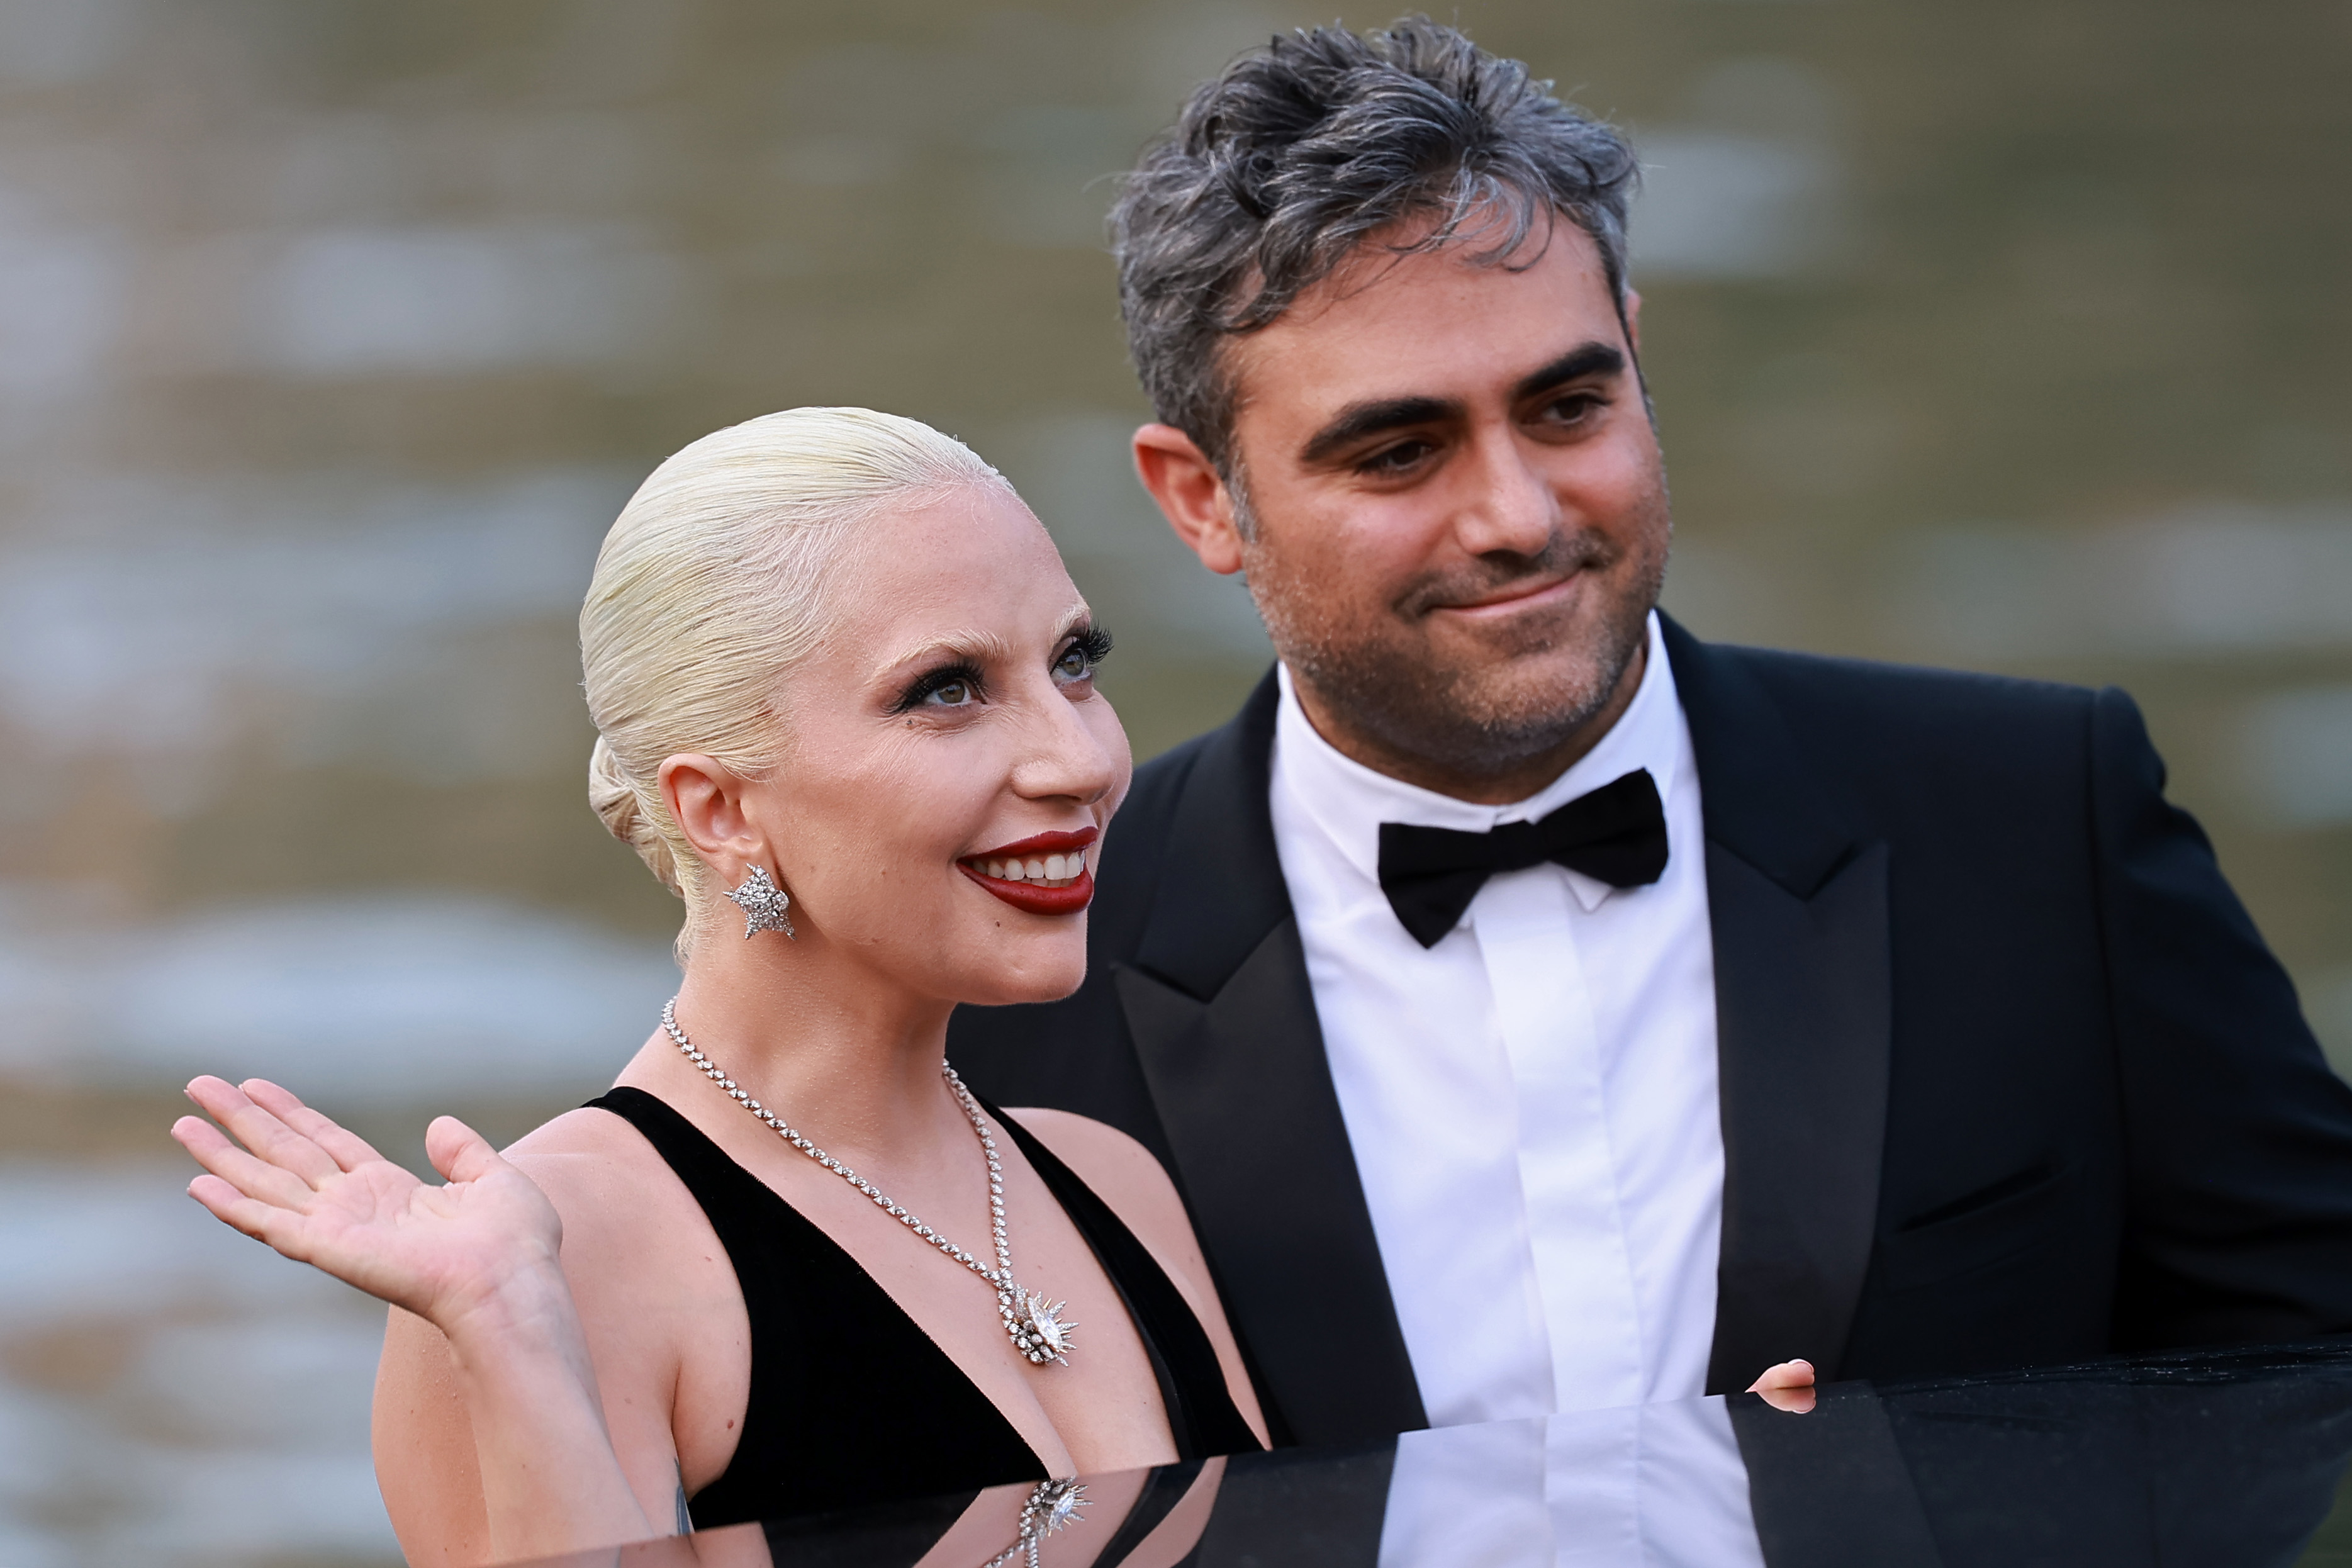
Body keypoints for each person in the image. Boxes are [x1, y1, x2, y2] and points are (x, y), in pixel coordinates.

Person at [945, 18, 2352, 1450]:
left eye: (1567, 405)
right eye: (1398, 451)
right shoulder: (1004, 996)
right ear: (1200, 500)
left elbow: (2310, 1372)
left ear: (1637, 352)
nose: (1521, 516)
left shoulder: (2044, 822)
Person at [171, 408, 1268, 1567]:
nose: (1085, 761)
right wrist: (512, 1336)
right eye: (947, 689)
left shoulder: (1113, 1182)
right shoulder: (545, 1254)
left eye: (1074, 665)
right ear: (721, 809)